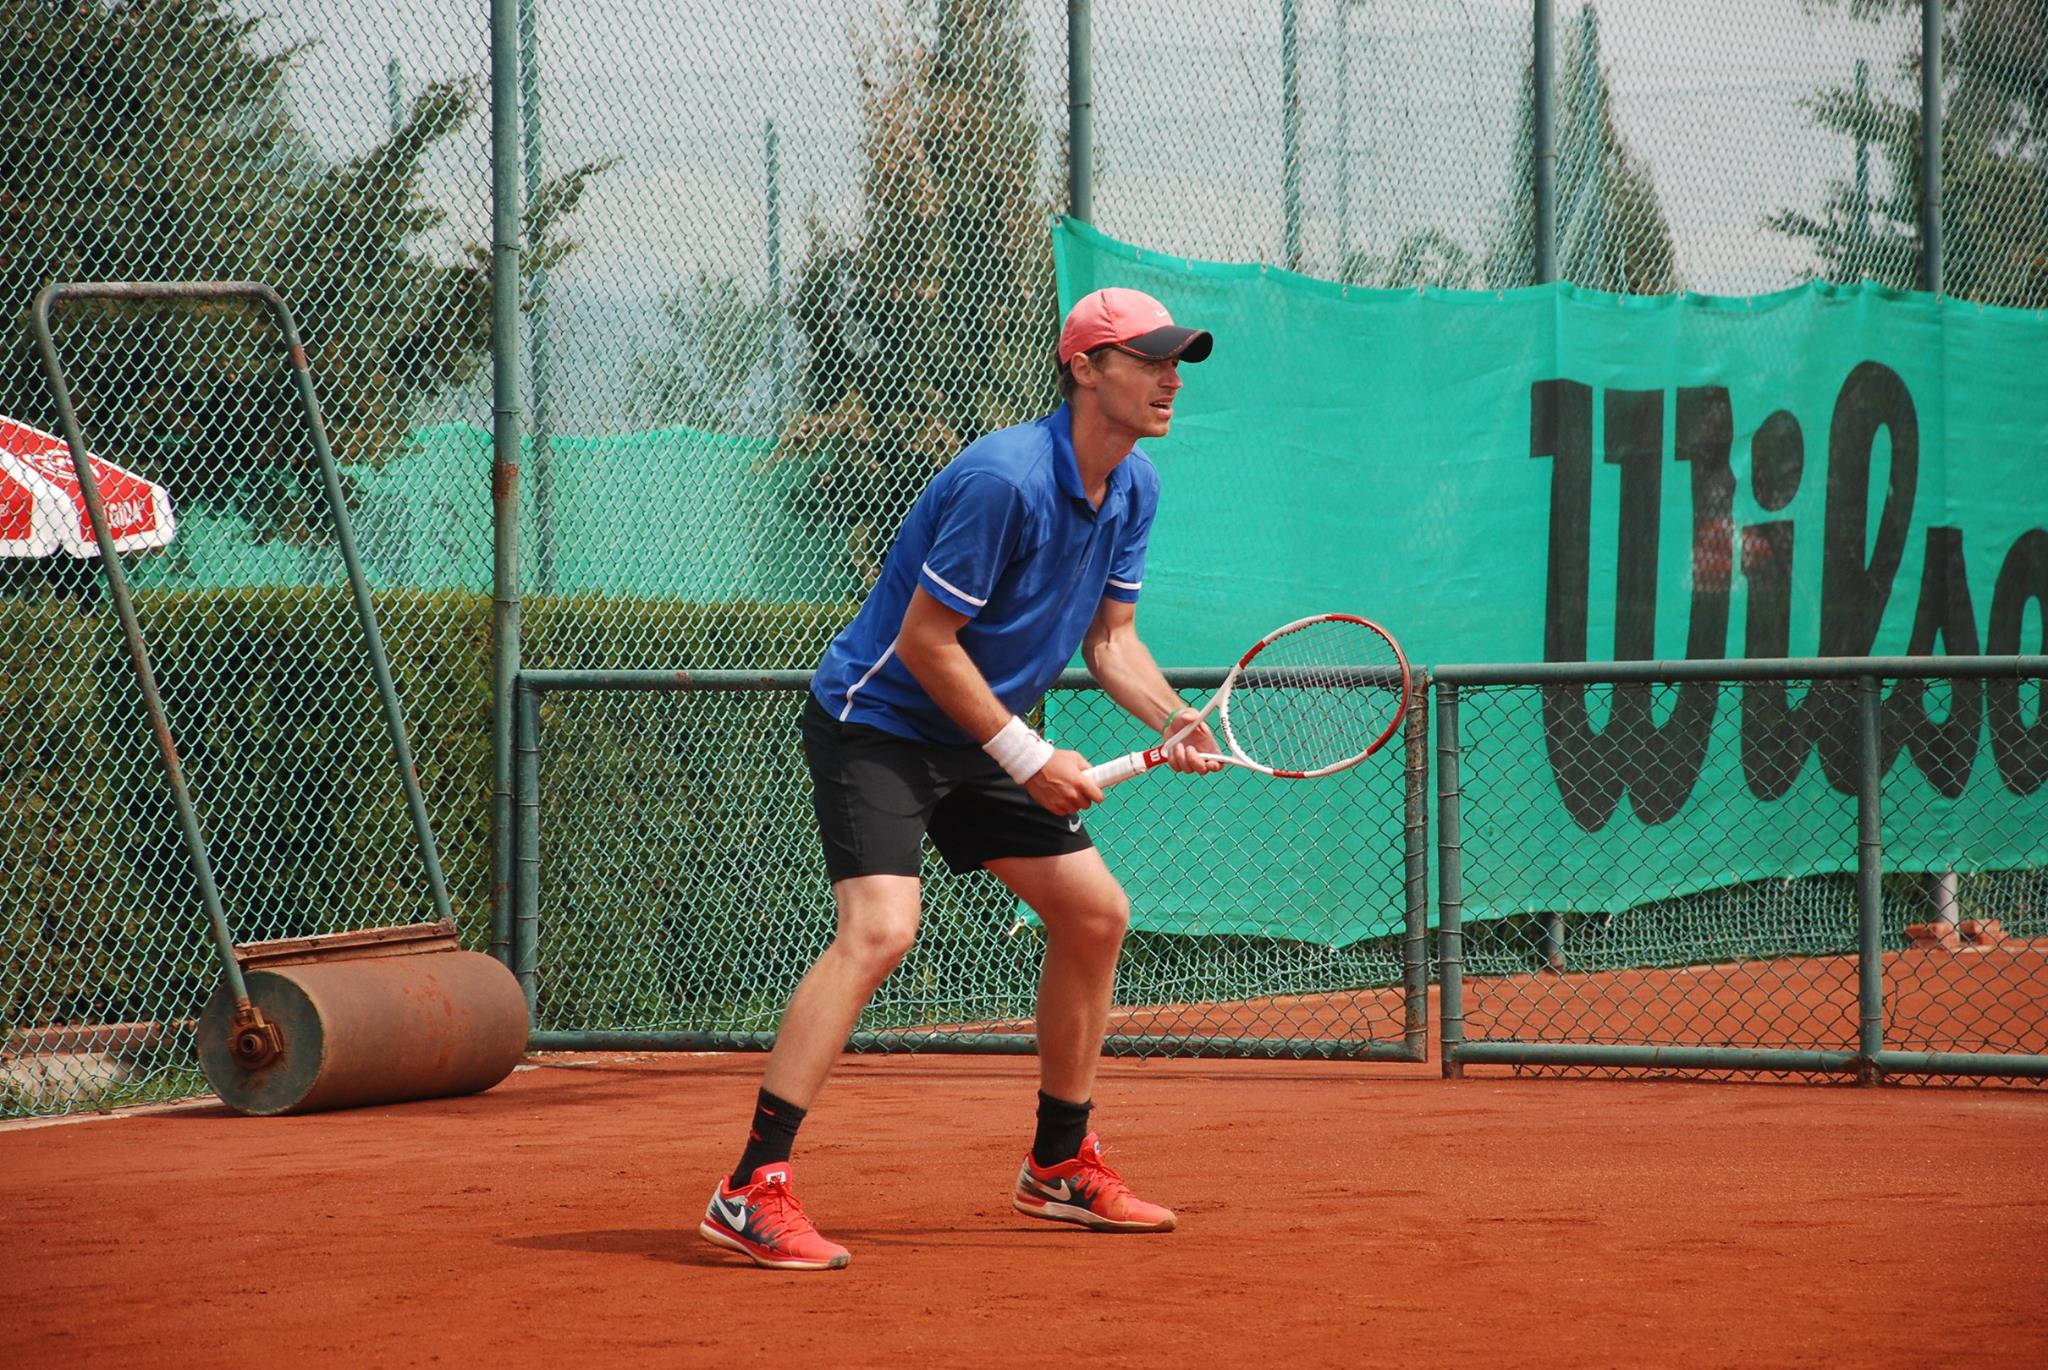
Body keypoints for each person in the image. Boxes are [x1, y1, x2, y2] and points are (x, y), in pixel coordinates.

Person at [697, 287, 1221, 1272]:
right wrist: (1028, 756)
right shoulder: (1003, 481)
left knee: (1094, 912)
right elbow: (924, 642)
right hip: (881, 725)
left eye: (1175, 359)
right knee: (881, 929)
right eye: (1148, 358)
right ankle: (749, 1185)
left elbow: (1112, 643)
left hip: (977, 734)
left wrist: (1171, 716)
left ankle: (1058, 1162)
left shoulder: (1136, 485)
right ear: (1082, 366)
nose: (1168, 377)